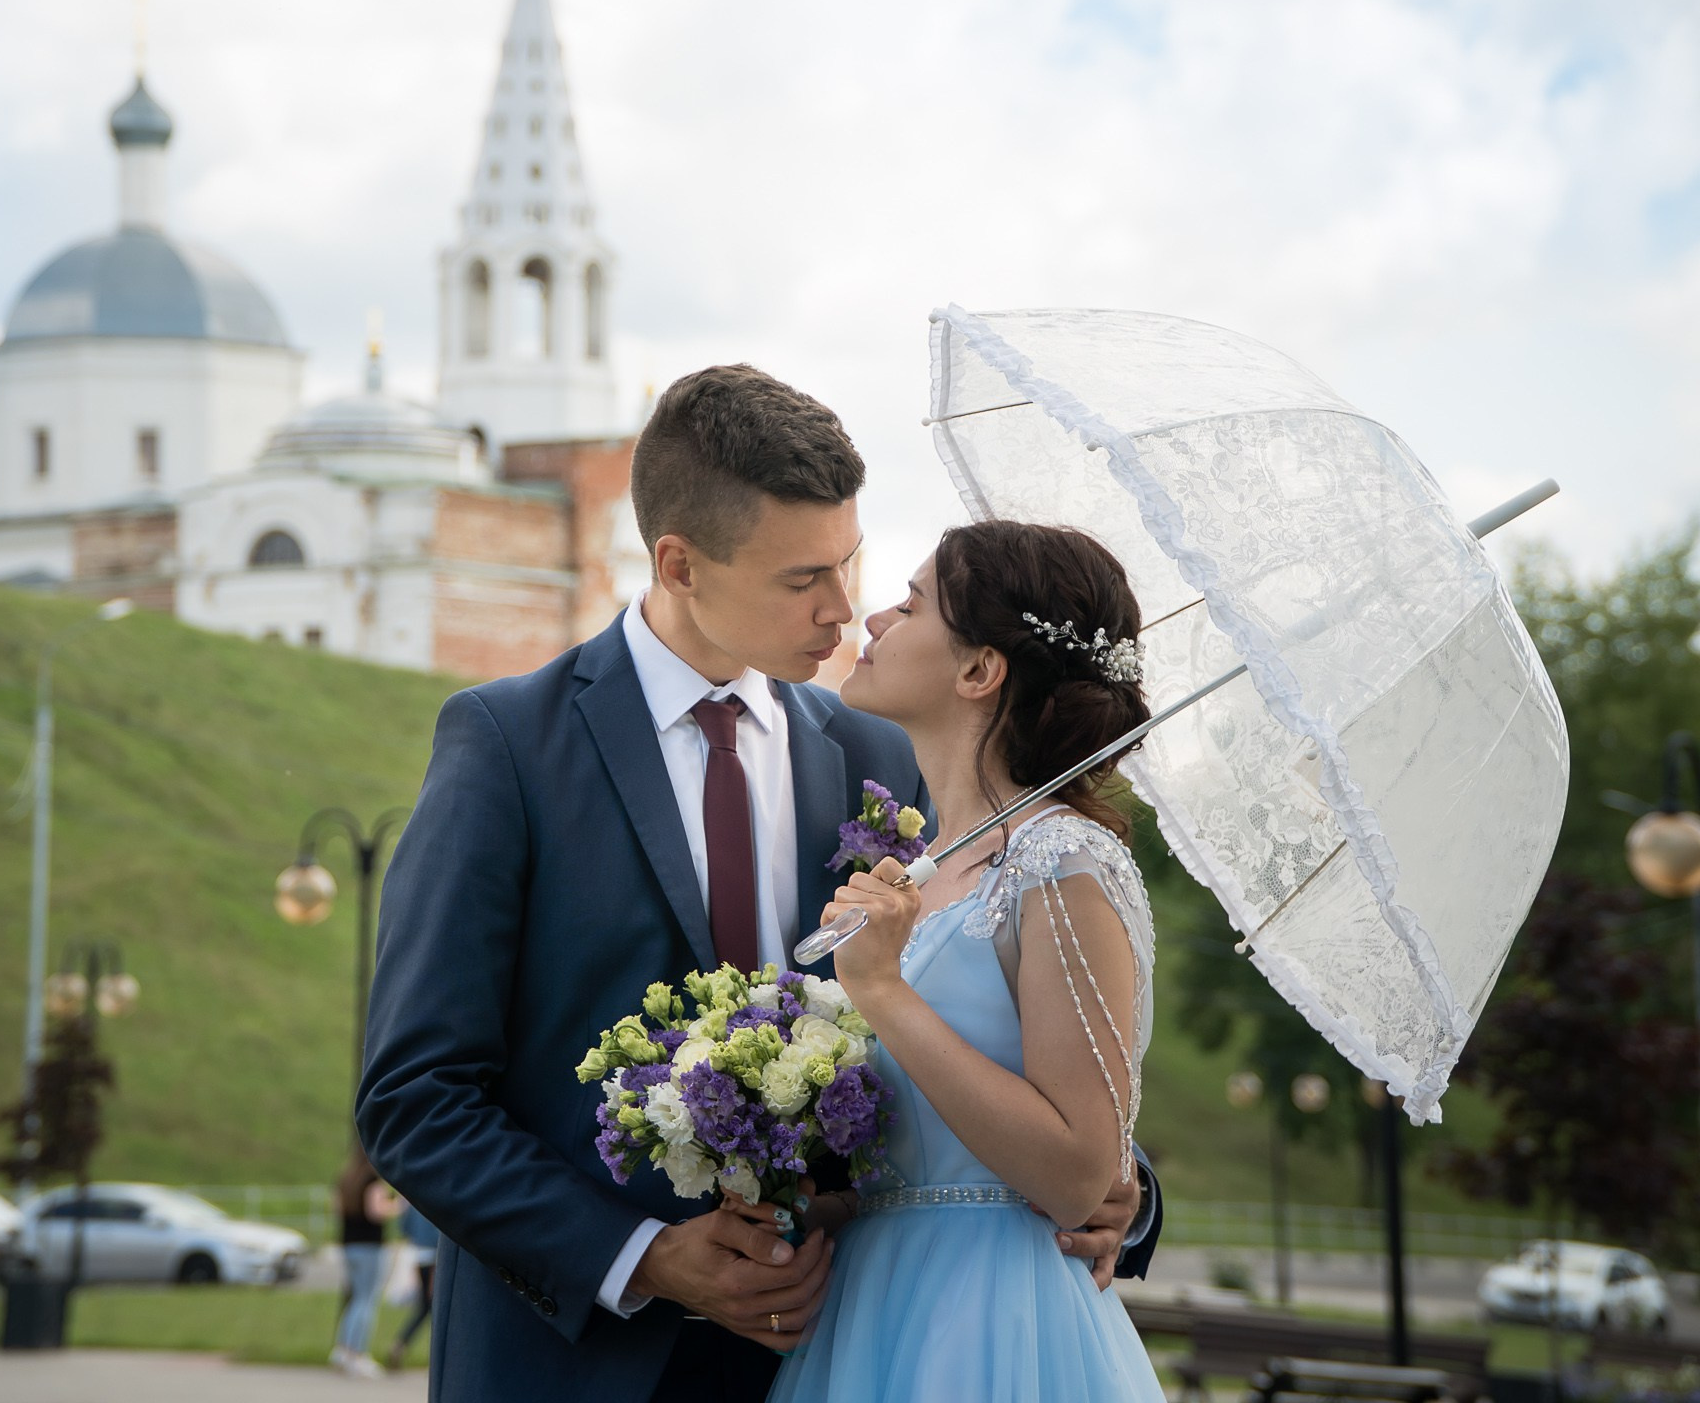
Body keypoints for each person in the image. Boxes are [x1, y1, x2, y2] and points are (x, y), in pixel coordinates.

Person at [357, 367, 1163, 1403]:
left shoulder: (889, 753)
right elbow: (415, 1097)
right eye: (800, 580)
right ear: (679, 563)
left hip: (843, 1349)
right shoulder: (508, 744)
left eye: (851, 564)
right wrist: (641, 1254)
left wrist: (1120, 1190)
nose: (844, 610)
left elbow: (1025, 1025)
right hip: (573, 1367)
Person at [761, 521, 1167, 1400]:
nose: (873, 620)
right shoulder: (923, 864)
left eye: (909, 605)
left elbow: (1074, 1173)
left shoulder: (1064, 861)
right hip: (869, 1302)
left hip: (992, 1320)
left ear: (980, 670)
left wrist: (879, 989)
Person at [331, 1146, 400, 1379]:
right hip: (370, 1246)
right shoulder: (372, 1180)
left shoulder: (345, 1180)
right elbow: (375, 1212)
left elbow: (336, 1209)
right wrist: (397, 1205)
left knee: (355, 1299)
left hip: (349, 1245)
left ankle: (342, 1349)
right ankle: (357, 1353)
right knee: (367, 1300)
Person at [386, 1194, 442, 1371]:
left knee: (425, 1306)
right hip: (436, 1256)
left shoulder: (412, 1195)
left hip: (418, 1254)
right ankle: (439, 1355)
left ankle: (400, 1344)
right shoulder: (436, 1195)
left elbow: (404, 1227)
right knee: (436, 1305)